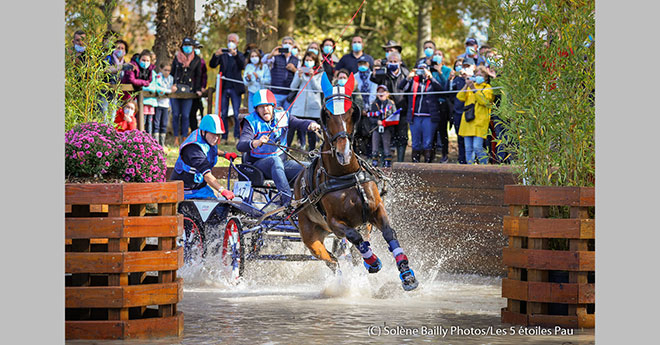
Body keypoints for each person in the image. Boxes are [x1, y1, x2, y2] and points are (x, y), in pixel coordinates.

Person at [236, 89, 321, 206]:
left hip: (282, 164)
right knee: (274, 161)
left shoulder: (283, 116)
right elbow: (241, 145)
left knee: (309, 168)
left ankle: (308, 202)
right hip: (259, 166)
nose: (265, 110)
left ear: (273, 106)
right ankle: (287, 201)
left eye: (267, 106)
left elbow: (299, 123)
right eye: (261, 107)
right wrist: (257, 142)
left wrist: (311, 124)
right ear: (256, 109)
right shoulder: (251, 122)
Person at [171, 114, 237, 200]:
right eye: (213, 134)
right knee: (215, 210)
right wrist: (223, 190)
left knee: (219, 206)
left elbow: (208, 149)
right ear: (203, 131)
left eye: (218, 135)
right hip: (186, 191)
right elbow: (207, 175)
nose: (216, 138)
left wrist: (224, 154)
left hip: (199, 187)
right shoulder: (194, 149)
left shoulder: (205, 137)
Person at [398, 62, 445, 163]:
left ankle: (427, 164)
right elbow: (401, 87)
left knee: (427, 143)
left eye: (424, 69)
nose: (421, 71)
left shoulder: (431, 82)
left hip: (429, 116)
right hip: (415, 116)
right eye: (419, 69)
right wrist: (408, 77)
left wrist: (431, 77)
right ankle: (416, 164)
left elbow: (441, 90)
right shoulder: (413, 81)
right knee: (415, 143)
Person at [370, 51, 408, 162]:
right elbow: (373, 79)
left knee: (402, 136)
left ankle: (400, 162)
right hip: (385, 112)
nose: (393, 63)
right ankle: (384, 161)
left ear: (400, 62)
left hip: (402, 111)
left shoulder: (405, 73)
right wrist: (375, 70)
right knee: (384, 136)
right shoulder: (384, 73)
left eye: (395, 61)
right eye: (390, 61)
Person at [209, 33, 245, 144]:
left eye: (233, 40)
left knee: (235, 113)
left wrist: (235, 55)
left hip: (235, 89)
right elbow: (212, 65)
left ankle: (237, 137)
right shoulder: (223, 54)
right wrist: (216, 55)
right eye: (229, 40)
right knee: (223, 113)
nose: (231, 42)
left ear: (237, 43)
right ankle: (223, 137)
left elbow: (242, 65)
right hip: (224, 88)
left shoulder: (240, 54)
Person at [456, 66, 494, 164]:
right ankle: (470, 168)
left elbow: (484, 101)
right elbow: (460, 97)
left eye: (481, 75)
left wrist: (473, 89)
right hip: (468, 121)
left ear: (485, 77)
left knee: (477, 147)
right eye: (476, 75)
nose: (478, 77)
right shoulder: (471, 86)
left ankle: (484, 166)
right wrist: (466, 85)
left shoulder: (488, 88)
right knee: (468, 148)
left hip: (480, 122)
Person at [170, 37, 203, 146]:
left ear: (193, 47)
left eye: (189, 45)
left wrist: (198, 89)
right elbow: (172, 73)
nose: (187, 47)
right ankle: (175, 138)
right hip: (176, 90)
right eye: (185, 45)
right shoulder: (176, 58)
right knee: (175, 114)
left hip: (189, 90)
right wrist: (172, 84)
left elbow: (198, 76)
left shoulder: (197, 59)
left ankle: (184, 137)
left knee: (185, 115)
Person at [288, 51, 323, 151]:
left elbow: (318, 89)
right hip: (299, 107)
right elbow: (293, 87)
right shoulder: (300, 72)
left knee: (312, 132)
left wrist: (312, 77)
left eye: (311, 60)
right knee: (291, 128)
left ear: (315, 62)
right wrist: (298, 77)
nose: (308, 62)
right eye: (307, 60)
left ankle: (311, 152)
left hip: (313, 108)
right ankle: (286, 150)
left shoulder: (320, 73)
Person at [122, 49, 157, 133]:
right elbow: (132, 80)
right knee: (122, 117)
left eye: (147, 60)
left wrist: (142, 83)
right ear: (139, 59)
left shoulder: (149, 69)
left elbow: (149, 80)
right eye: (143, 60)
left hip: (135, 96)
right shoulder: (132, 66)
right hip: (125, 95)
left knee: (132, 118)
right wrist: (144, 83)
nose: (145, 62)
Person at [263, 36, 299, 109]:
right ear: (282, 45)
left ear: (293, 46)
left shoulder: (297, 60)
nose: (287, 44)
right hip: (276, 93)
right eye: (285, 43)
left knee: (287, 116)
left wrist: (294, 69)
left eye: (289, 43)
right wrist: (271, 54)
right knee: (275, 115)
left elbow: (300, 75)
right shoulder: (275, 57)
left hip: (289, 94)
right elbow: (264, 61)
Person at [429, 48, 452, 163]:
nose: (437, 56)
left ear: (443, 58)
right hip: (432, 103)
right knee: (432, 130)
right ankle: (431, 155)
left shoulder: (447, 70)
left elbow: (445, 86)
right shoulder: (430, 70)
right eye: (435, 54)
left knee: (443, 131)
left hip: (443, 104)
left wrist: (440, 73)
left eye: (439, 54)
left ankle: (444, 154)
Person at [367, 85, 396, 167]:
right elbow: (370, 117)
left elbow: (394, 115)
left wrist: (386, 122)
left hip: (387, 128)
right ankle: (374, 163)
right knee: (375, 146)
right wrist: (377, 121)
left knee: (387, 147)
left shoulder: (391, 104)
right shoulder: (374, 104)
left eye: (383, 91)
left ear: (387, 93)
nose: (381, 93)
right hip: (376, 128)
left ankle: (387, 163)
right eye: (379, 91)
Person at [355, 55, 378, 159]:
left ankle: (369, 156)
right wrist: (360, 108)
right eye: (360, 63)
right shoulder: (354, 77)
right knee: (357, 132)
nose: (362, 66)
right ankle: (357, 155)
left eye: (364, 63)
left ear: (369, 64)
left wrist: (368, 108)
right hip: (357, 109)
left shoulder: (373, 76)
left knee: (369, 133)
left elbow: (373, 92)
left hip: (370, 109)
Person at [448, 58, 467, 164]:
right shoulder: (455, 80)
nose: (460, 67)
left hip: (469, 113)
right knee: (460, 137)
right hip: (458, 112)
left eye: (462, 65)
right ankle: (461, 159)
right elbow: (450, 94)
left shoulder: (469, 79)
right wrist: (450, 81)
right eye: (457, 65)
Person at [153, 63, 176, 146]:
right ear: (161, 70)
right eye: (165, 70)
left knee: (164, 124)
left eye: (169, 70)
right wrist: (169, 91)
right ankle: (155, 142)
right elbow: (159, 89)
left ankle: (162, 144)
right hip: (158, 103)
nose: (167, 72)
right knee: (156, 124)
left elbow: (173, 88)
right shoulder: (158, 77)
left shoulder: (171, 78)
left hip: (166, 104)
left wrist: (167, 90)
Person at [243, 49, 272, 113]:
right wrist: (249, 79)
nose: (254, 58)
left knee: (261, 113)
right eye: (252, 56)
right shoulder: (248, 66)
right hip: (251, 93)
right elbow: (245, 83)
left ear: (259, 57)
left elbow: (268, 81)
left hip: (262, 93)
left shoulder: (264, 67)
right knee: (252, 112)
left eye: (256, 56)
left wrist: (258, 78)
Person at [189, 40, 208, 132]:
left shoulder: (202, 61)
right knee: (190, 112)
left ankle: (200, 130)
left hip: (198, 91)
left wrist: (203, 87)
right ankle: (192, 130)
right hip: (188, 89)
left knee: (200, 109)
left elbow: (204, 75)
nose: (197, 50)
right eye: (196, 48)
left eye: (198, 48)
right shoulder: (186, 61)